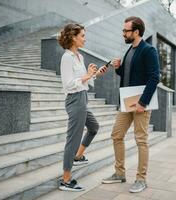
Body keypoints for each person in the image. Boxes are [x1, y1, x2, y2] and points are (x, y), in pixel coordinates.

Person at [102, 16, 160, 193]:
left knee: (141, 140)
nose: (123, 33)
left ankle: (141, 179)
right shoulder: (129, 51)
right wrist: (119, 67)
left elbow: (154, 77)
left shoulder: (148, 50)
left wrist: (143, 102)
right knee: (116, 135)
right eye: (123, 30)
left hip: (140, 102)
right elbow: (129, 76)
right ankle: (119, 173)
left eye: (126, 31)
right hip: (127, 101)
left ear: (136, 32)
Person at [57, 23, 108, 192]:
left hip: (83, 98)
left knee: (93, 127)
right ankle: (66, 180)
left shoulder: (79, 57)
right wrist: (86, 76)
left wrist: (94, 73)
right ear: (73, 37)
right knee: (73, 138)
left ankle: (78, 156)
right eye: (83, 36)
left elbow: (86, 81)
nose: (85, 39)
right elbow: (68, 84)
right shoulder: (67, 57)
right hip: (74, 99)